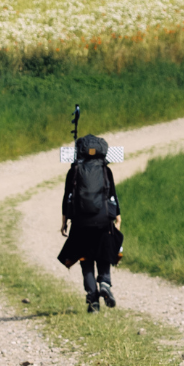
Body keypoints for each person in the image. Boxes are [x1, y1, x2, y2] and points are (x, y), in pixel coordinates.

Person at [57, 134, 122, 313]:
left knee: (85, 260)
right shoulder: (105, 170)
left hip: (80, 223)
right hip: (103, 221)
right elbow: (112, 195)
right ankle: (105, 283)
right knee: (104, 254)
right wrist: (118, 217)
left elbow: (67, 197)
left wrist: (64, 221)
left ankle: (93, 301)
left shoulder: (74, 170)